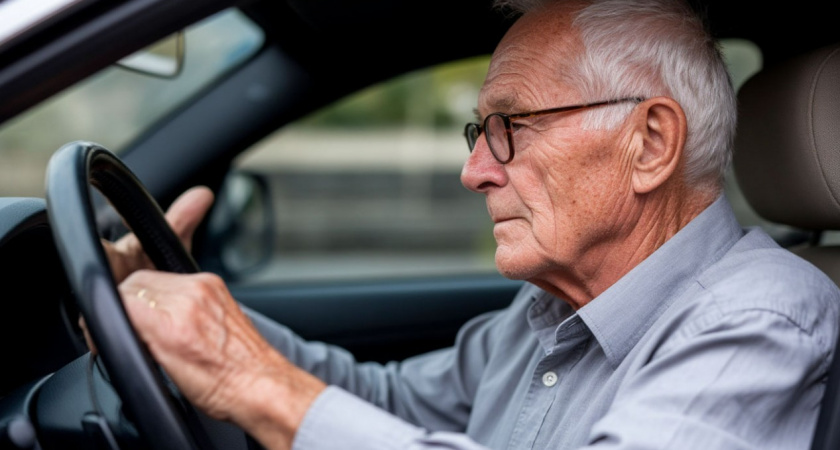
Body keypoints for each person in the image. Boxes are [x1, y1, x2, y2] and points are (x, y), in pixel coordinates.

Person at [90, 0, 840, 448]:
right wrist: (182, 306)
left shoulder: (763, 315)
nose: (475, 169)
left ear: (648, 144)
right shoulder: (547, 311)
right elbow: (383, 402)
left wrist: (249, 380)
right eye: (477, 132)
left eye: (510, 125)